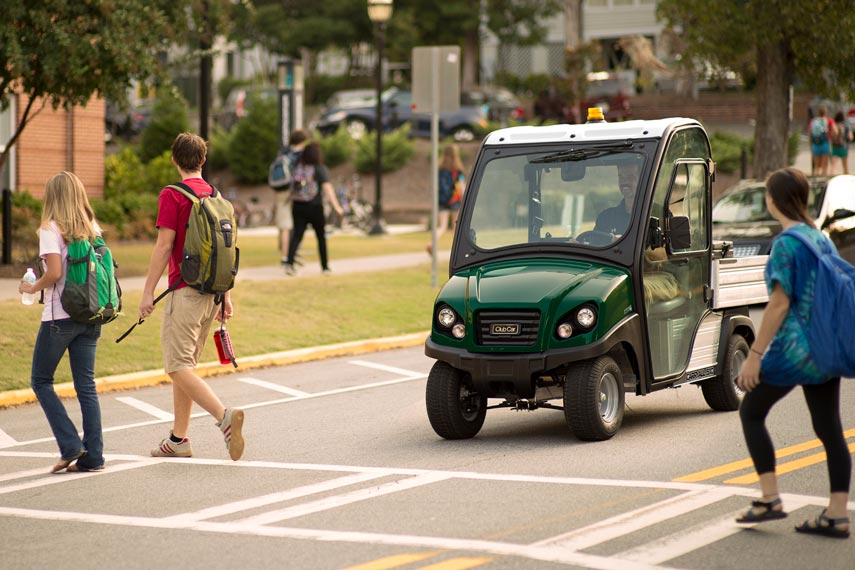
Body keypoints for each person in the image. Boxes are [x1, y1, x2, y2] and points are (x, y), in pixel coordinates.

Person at [735, 167, 850, 539]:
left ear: (773, 200)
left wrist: (755, 354)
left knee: (751, 411)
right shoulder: (820, 238)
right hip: (824, 347)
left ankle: (769, 498)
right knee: (829, 429)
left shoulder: (786, 244)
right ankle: (836, 514)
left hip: (796, 351)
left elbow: (780, 303)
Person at [139, 132, 245, 461]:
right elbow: (224, 250)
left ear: (174, 160)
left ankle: (224, 418)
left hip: (182, 292)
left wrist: (147, 293)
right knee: (185, 365)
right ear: (203, 160)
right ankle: (178, 439)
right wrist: (225, 295)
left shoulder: (173, 195)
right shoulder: (215, 195)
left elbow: (164, 245)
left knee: (177, 367)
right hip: (211, 294)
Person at [19, 172, 105, 473]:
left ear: (52, 197)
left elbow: (54, 273)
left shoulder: (50, 228)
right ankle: (94, 457)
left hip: (60, 317)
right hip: (91, 315)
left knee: (41, 381)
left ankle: (70, 445)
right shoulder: (92, 227)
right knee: (86, 386)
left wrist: (32, 287)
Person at [283, 141, 343, 275]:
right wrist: (337, 207)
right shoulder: (319, 169)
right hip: (314, 206)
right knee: (321, 237)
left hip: (298, 206)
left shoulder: (298, 168)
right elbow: (327, 188)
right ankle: (325, 266)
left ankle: (289, 264)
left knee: (297, 235)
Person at [275, 129, 308, 267]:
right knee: (290, 224)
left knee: (284, 223)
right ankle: (287, 256)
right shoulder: (299, 155)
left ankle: (287, 252)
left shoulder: (283, 152)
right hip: (293, 191)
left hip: (280, 190)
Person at [428, 143, 465, 255]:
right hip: (454, 200)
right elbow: (462, 186)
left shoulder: (439, 169)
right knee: (455, 228)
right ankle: (457, 251)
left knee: (442, 226)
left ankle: (432, 244)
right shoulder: (457, 170)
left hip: (442, 200)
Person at [593, 160, 642, 236]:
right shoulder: (606, 217)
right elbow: (594, 244)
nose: (624, 182)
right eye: (621, 177)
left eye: (630, 177)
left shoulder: (658, 213)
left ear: (642, 179)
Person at [809, 105, 836, 177]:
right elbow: (835, 131)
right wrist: (831, 136)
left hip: (815, 144)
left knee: (816, 166)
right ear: (825, 112)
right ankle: (823, 184)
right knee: (825, 166)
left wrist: (810, 145)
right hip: (825, 144)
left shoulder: (813, 121)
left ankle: (815, 184)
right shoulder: (829, 120)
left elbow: (810, 134)